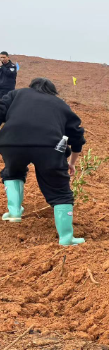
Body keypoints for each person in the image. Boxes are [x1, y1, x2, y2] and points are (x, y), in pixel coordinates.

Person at [0, 78, 86, 245]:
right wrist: (72, 162)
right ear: (52, 91)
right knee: (59, 189)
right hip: (49, 147)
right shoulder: (60, 104)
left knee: (12, 171)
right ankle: (66, 238)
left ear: (31, 87)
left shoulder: (16, 94)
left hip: (11, 143)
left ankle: (14, 212)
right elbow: (77, 137)